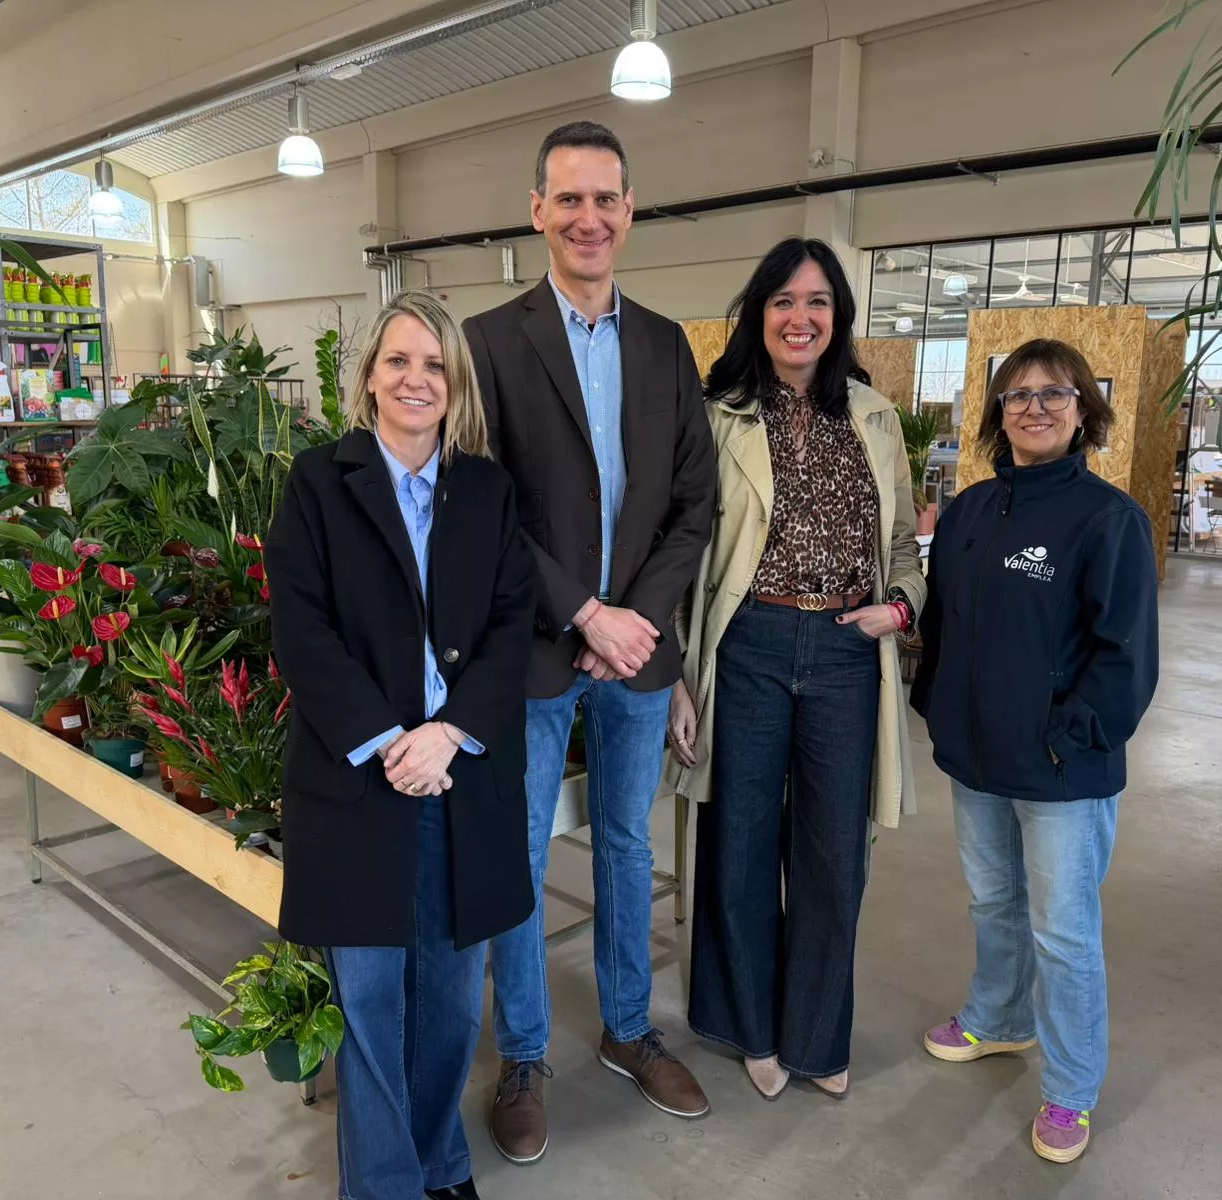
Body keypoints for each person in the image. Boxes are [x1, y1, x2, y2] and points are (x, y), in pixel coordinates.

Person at [463, 120, 717, 1163]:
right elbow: (483, 508)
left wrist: (636, 622)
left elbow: (693, 502)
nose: (588, 216)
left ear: (628, 210)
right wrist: (582, 612)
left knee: (624, 843)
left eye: (605, 198)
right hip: (532, 644)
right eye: (568, 198)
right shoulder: (487, 342)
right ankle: (523, 1053)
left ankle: (626, 1030)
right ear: (536, 211)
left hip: (637, 655)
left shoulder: (664, 343)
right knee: (520, 851)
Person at [267, 291, 537, 1200]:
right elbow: (302, 630)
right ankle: (382, 1183)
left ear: (455, 384)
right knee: (373, 1004)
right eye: (398, 361)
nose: (416, 379)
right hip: (362, 781)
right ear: (369, 379)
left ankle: (440, 1163)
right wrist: (392, 740)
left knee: (457, 1001)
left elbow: (512, 625)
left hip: (461, 776)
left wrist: (449, 734)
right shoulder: (318, 483)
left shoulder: (489, 492)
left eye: (435, 365)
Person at [665, 237, 927, 1100]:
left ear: (838, 316)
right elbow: (686, 547)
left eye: (817, 302)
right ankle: (746, 1025)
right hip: (751, 645)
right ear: (759, 313)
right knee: (739, 842)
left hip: (850, 652)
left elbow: (901, 550)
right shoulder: (719, 413)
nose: (800, 318)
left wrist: (899, 606)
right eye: (783, 300)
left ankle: (816, 1035)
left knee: (832, 854)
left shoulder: (875, 417)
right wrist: (678, 670)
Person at [912, 337, 1159, 1165]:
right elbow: (943, 623)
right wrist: (937, 708)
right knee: (992, 903)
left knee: (1063, 931)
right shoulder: (973, 512)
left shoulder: (1108, 519)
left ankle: (1072, 1088)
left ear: (1085, 410)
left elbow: (1124, 657)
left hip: (1060, 770)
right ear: (997, 415)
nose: (1036, 409)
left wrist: (1070, 740)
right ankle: (1001, 1017)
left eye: (1055, 394)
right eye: (1018, 396)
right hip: (976, 760)